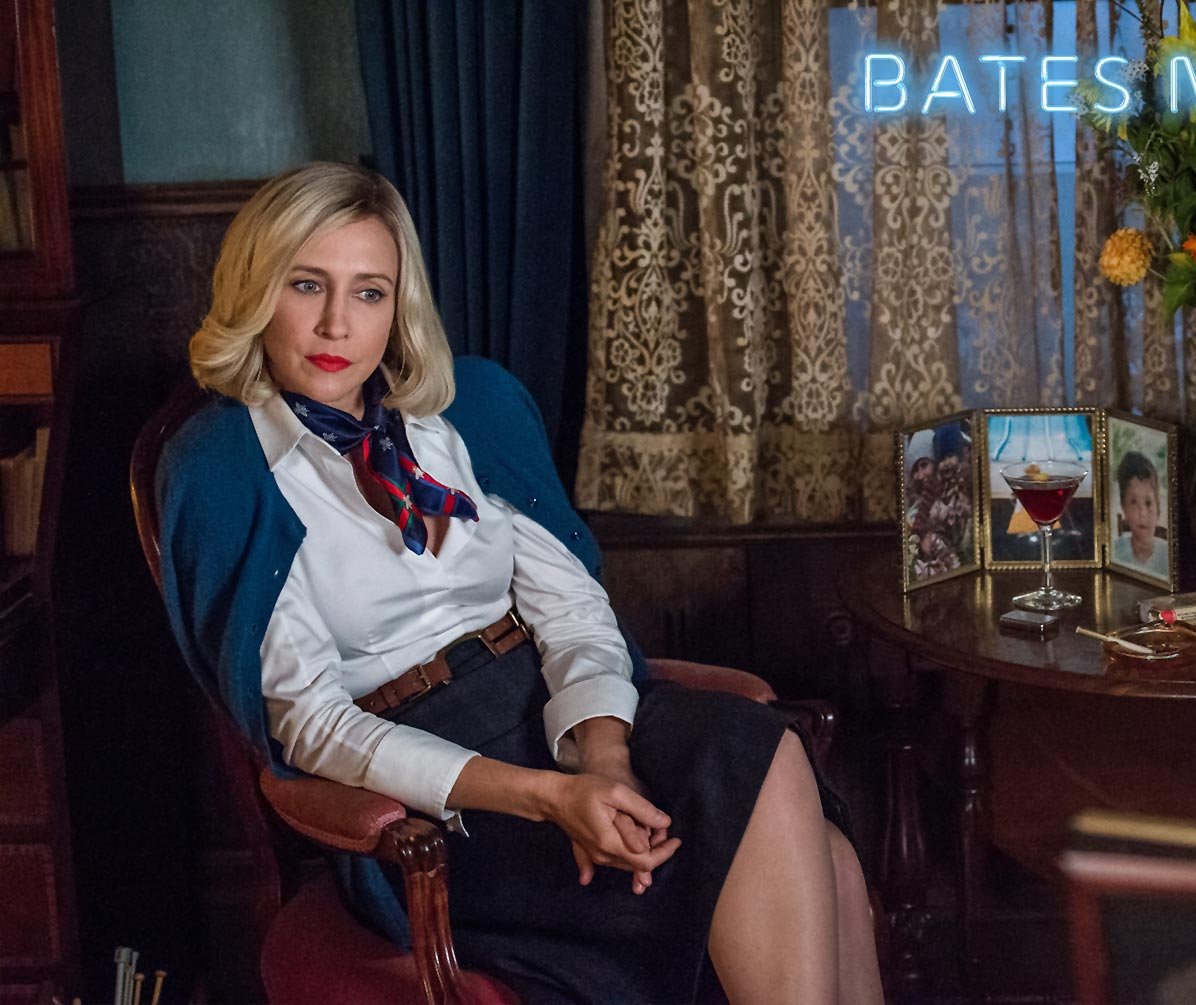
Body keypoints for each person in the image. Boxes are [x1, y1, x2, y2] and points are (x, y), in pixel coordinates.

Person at [155, 163, 881, 1005]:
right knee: (811, 855)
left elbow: (571, 609)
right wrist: (548, 797)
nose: (335, 323)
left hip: (552, 705)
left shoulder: (472, 410)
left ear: (398, 306)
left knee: (778, 773)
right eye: (306, 284)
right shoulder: (222, 468)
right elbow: (316, 727)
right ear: (255, 289)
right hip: (431, 789)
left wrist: (604, 758)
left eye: (369, 292)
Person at [1110, 451, 1168, 579]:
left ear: (1158, 509)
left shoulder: (1168, 557)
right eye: (1133, 502)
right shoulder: (1114, 553)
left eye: (1148, 503)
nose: (1142, 513)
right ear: (1123, 507)